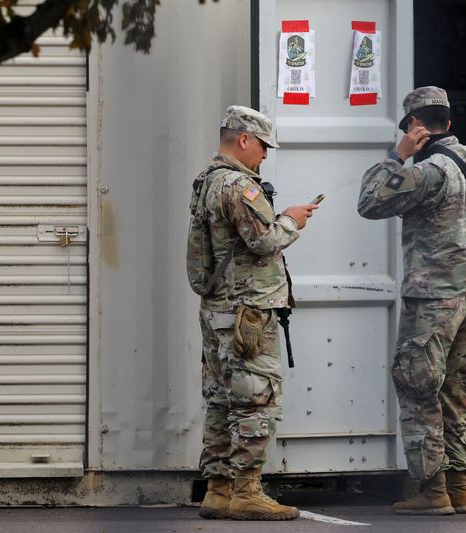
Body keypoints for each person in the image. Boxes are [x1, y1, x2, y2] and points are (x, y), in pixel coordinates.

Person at [357, 86, 466, 515]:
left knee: (419, 390)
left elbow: (368, 201)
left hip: (429, 299)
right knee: (460, 393)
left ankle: (431, 489)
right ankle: (460, 486)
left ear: (415, 126)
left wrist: (397, 155)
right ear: (449, 123)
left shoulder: (428, 172)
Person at [193, 105, 318, 521]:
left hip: (219, 309)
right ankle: (247, 489)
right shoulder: (238, 186)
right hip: (247, 311)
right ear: (244, 140)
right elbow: (264, 241)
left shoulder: (207, 181)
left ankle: (218, 488)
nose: (264, 155)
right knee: (256, 400)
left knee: (222, 399)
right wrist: (292, 220)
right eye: (263, 146)